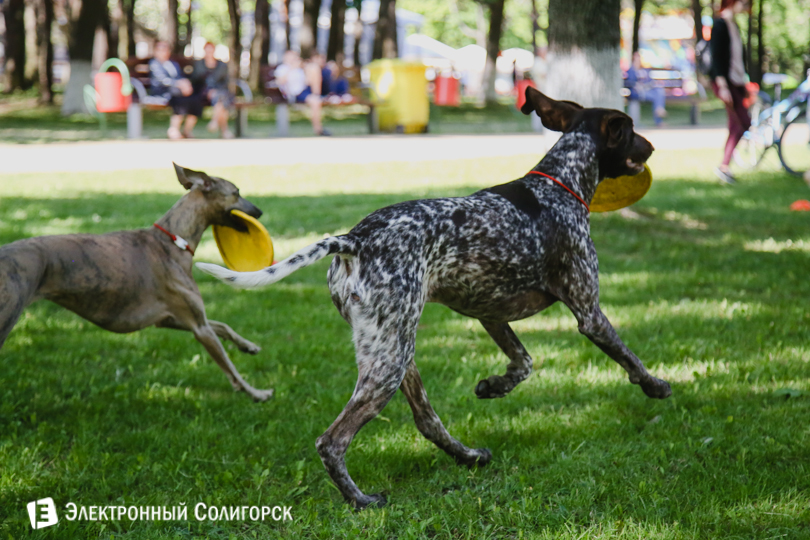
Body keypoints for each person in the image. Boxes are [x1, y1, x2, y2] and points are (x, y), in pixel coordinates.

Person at [709, 0, 752, 184]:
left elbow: (738, 59)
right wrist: (723, 87)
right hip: (725, 83)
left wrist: (744, 84)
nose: (747, 7)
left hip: (736, 82)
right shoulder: (720, 24)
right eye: (744, 2)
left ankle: (725, 165)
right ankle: (724, 166)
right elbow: (716, 57)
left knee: (739, 124)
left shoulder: (734, 25)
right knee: (741, 122)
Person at [148, 41, 203, 140]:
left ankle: (187, 130)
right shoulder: (154, 64)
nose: (163, 52)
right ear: (155, 52)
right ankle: (173, 129)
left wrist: (186, 84)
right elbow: (161, 80)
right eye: (160, 50)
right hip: (163, 91)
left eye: (165, 49)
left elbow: (180, 76)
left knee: (195, 98)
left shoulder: (173, 64)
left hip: (177, 90)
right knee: (179, 97)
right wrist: (178, 84)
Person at [273, 50, 330, 136]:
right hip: (295, 94)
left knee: (313, 67)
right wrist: (291, 68)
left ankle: (317, 95)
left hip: (305, 89)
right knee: (315, 102)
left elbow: (307, 81)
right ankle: (318, 129)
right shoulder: (282, 68)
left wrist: (306, 69)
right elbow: (280, 81)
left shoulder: (299, 68)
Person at [193, 42, 234, 139]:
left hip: (221, 91)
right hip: (204, 91)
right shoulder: (199, 64)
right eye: (207, 50)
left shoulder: (221, 65)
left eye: (211, 49)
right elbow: (196, 79)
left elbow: (225, 82)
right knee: (220, 99)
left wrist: (216, 90)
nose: (209, 52)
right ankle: (225, 131)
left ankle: (215, 121)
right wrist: (209, 89)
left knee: (220, 97)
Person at [625, 51, 667, 127]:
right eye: (637, 59)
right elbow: (630, 83)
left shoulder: (644, 70)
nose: (638, 61)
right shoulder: (631, 71)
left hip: (647, 90)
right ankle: (659, 115)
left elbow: (650, 81)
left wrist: (654, 84)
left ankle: (659, 110)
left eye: (639, 59)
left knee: (659, 90)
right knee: (657, 95)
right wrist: (638, 85)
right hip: (638, 93)